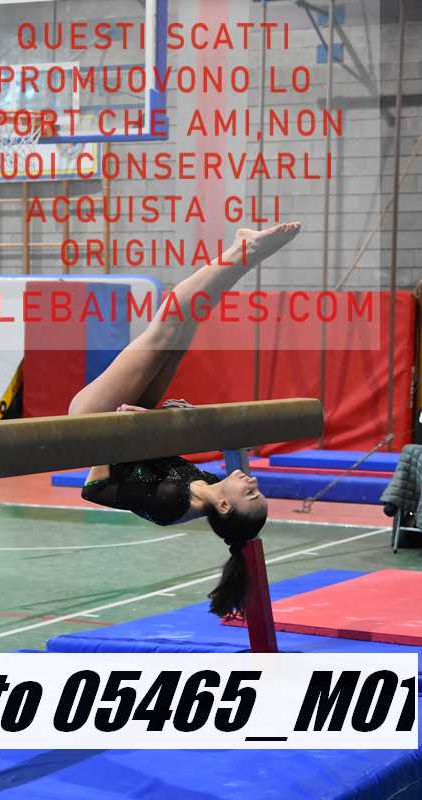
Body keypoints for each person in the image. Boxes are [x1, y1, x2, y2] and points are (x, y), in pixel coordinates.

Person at [69, 223, 301, 616]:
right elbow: (151, 457)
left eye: (250, 494)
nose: (253, 483)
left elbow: (94, 489)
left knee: (166, 329)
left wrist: (116, 434)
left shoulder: (170, 503)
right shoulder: (206, 485)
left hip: (95, 422)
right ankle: (242, 252)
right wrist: (168, 421)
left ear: (224, 506)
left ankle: (244, 251)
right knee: (183, 330)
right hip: (128, 423)